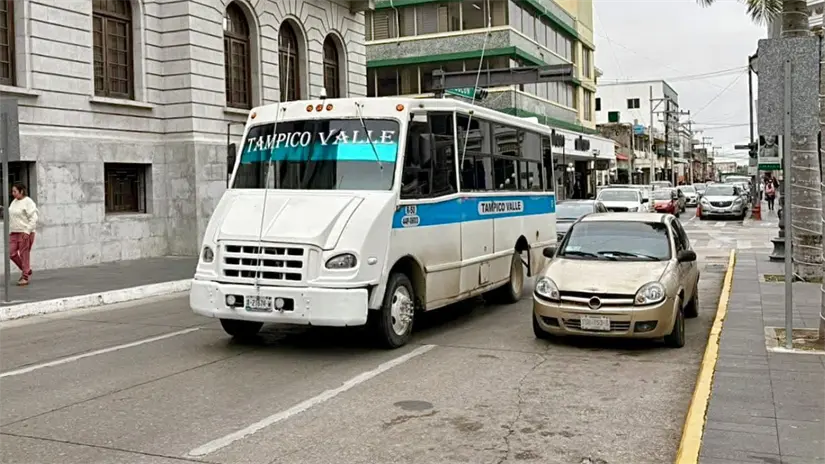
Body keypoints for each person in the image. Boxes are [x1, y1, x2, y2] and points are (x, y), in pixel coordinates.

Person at [8, 182, 38, 286]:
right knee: (11, 253)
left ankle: (25, 277)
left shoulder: (28, 202)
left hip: (24, 232)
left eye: (15, 191)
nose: (13, 193)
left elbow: (34, 218)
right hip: (14, 232)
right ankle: (27, 269)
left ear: (21, 191)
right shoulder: (14, 201)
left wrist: (27, 231)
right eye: (12, 191)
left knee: (24, 255)